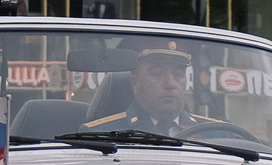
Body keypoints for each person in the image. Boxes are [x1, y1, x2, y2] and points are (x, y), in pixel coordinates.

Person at [80, 43, 219, 136]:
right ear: (135, 83)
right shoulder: (100, 136)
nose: (170, 83)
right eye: (157, 73)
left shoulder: (217, 134)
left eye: (178, 74)